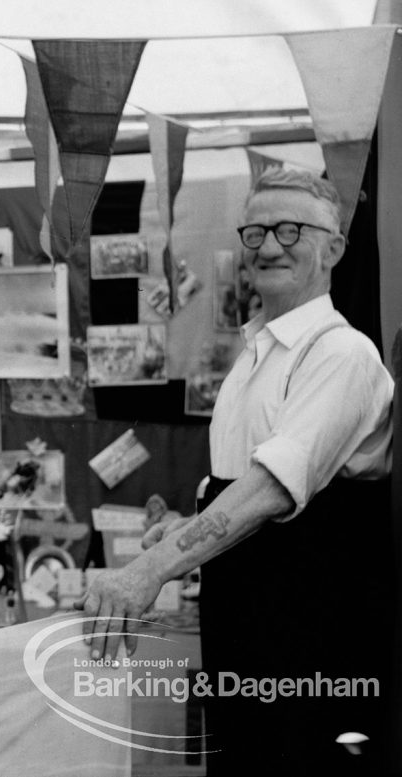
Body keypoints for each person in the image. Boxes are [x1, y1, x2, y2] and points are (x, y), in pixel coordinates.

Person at [77, 168, 394, 775]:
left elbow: (272, 489)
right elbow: (234, 487)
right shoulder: (256, 353)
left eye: (291, 229)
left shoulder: (341, 352)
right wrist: (176, 528)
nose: (270, 246)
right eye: (256, 232)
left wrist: (148, 571)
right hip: (244, 627)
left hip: (313, 640)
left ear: (334, 248)